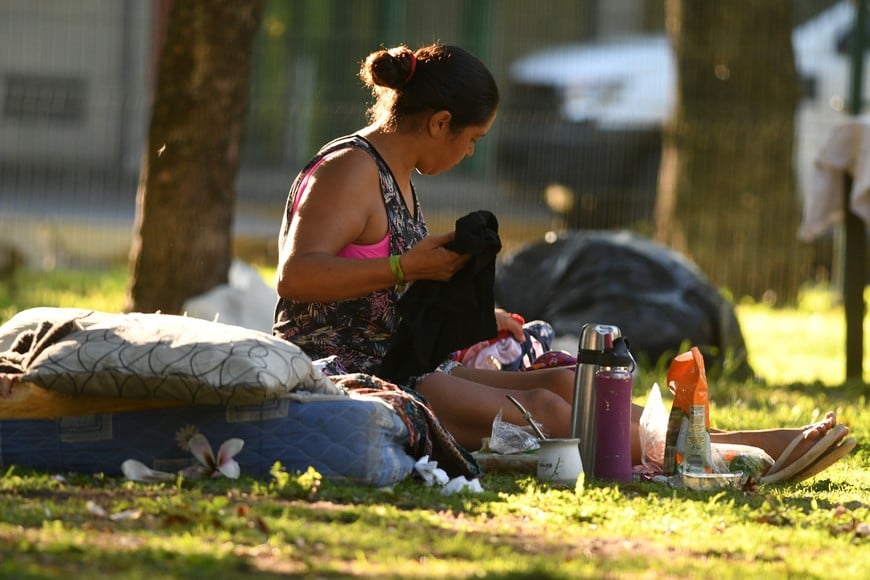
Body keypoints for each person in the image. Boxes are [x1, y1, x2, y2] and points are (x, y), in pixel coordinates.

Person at [272, 43, 848, 478]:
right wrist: (406, 269)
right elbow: (296, 277)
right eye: (470, 139)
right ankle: (728, 459)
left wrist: (467, 311)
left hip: (401, 358)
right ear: (440, 122)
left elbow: (377, 295)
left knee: (579, 381)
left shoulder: (396, 174)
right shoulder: (349, 169)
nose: (470, 152)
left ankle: (728, 442)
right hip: (345, 368)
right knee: (546, 410)